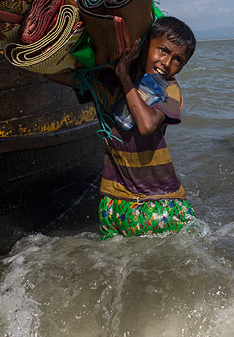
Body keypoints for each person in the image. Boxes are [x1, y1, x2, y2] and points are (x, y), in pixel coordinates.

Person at [46, 16, 197, 238]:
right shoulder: (105, 80)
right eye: (163, 51)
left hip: (155, 204)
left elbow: (146, 125)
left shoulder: (168, 89)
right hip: (125, 205)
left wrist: (124, 77)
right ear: (144, 45)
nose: (167, 63)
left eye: (177, 60)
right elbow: (50, 72)